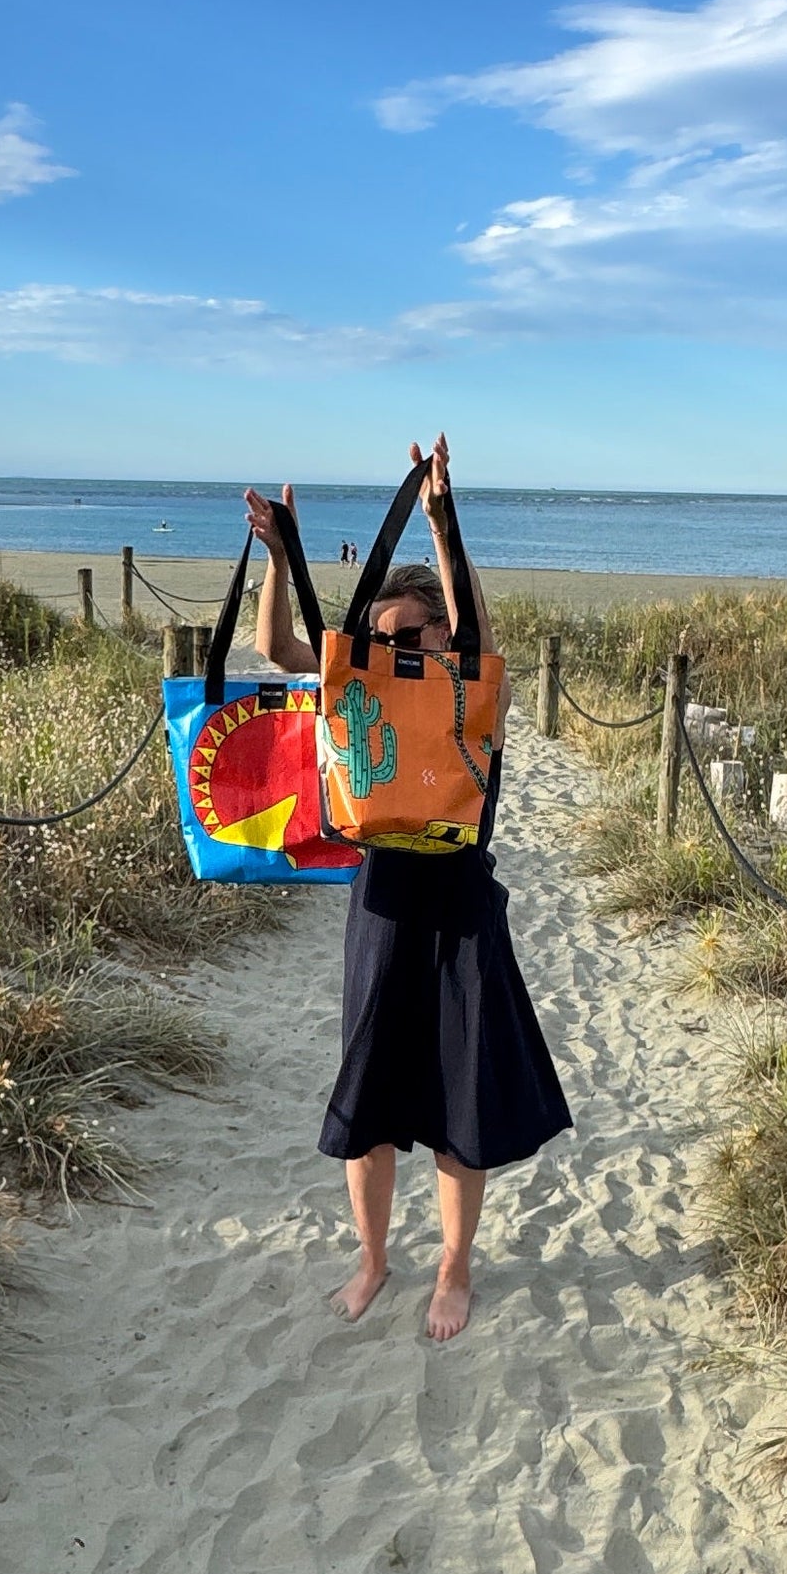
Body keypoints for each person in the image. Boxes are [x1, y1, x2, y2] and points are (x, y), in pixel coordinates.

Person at [244, 436, 571, 1341]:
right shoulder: (357, 692)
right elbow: (276, 646)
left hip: (461, 913)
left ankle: (454, 1268)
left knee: (462, 1103)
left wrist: (440, 525)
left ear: (441, 635)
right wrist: (281, 556)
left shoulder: (475, 696)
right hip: (381, 910)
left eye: (408, 637)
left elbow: (480, 639)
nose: (389, 650)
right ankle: (374, 1259)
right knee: (372, 1101)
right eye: (380, 638)